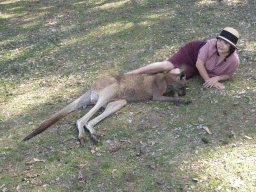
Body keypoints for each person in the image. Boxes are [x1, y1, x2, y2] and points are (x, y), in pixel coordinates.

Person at [127, 27, 240, 89]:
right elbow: (199, 64)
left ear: (232, 47)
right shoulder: (211, 44)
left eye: (225, 43)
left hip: (198, 68)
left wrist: (216, 79)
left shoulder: (234, 60)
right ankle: (134, 72)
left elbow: (229, 75)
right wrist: (208, 80)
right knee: (167, 65)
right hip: (192, 54)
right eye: (219, 40)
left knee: (176, 73)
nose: (220, 44)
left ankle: (150, 82)